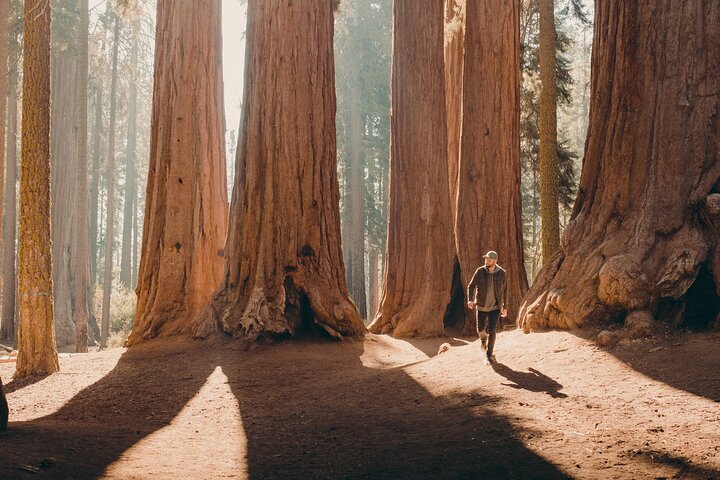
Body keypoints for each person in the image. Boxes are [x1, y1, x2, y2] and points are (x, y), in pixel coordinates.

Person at [467, 251, 508, 364]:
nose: (486, 261)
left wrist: (505, 307)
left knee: (492, 330)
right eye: (486, 259)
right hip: (481, 306)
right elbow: (471, 286)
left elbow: (505, 291)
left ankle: (489, 354)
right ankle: (483, 338)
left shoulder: (502, 273)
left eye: (489, 260)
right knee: (480, 329)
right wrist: (470, 299)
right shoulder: (480, 271)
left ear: (495, 261)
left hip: (495, 307)